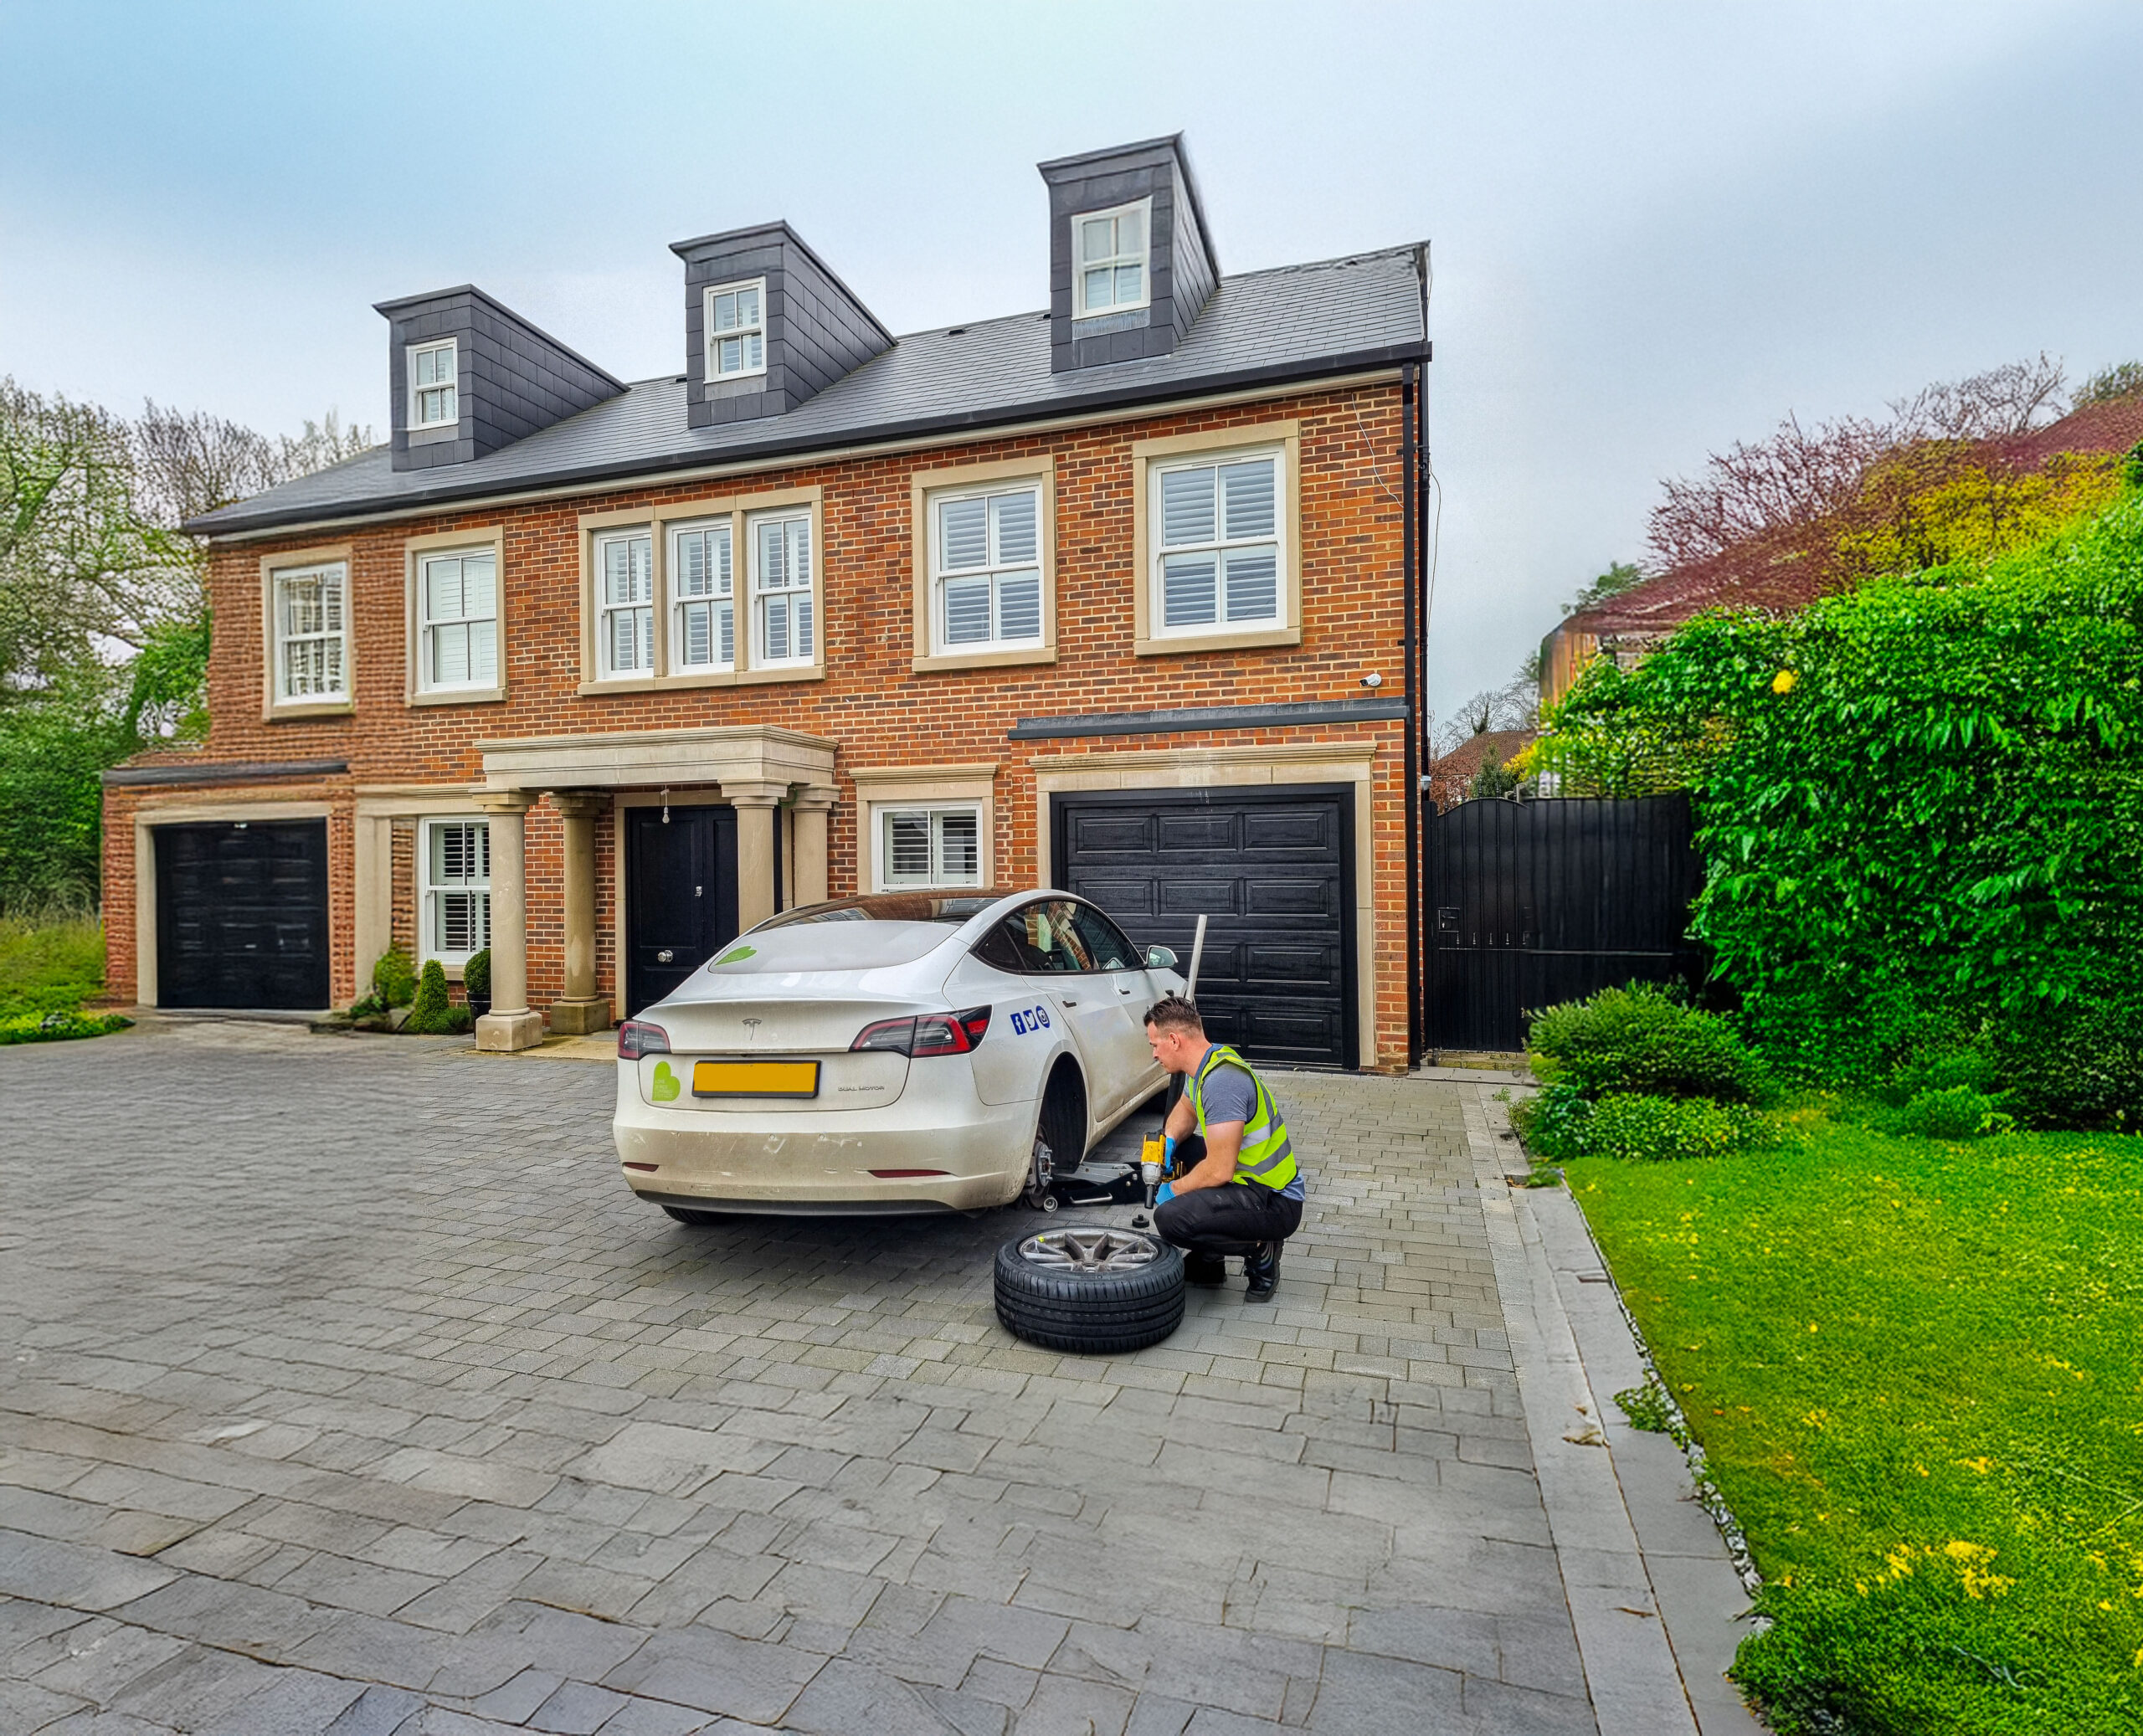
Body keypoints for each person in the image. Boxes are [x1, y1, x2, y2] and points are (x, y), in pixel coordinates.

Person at [1142, 994, 1303, 1301]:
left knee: (1171, 1218)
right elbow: (1187, 1110)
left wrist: (1172, 1191)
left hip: (1275, 1201)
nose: (1154, 1054)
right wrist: (1168, 1142)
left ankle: (1261, 1248)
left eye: (1155, 1045)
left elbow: (1219, 1170)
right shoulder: (1207, 1062)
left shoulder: (1222, 1082)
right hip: (1250, 1183)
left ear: (1174, 1040)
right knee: (1184, 1150)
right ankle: (1209, 1262)